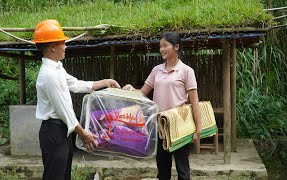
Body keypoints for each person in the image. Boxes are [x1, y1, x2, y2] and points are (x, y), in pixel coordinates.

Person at [33, 19, 120, 180]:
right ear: (52, 46)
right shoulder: (49, 75)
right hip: (54, 131)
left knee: (64, 175)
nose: (65, 46)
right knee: (55, 176)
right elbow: (63, 110)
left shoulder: (57, 68)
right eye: (63, 42)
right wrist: (82, 133)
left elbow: (76, 84)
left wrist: (104, 82)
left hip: (62, 130)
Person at [123, 32, 201, 180]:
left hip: (180, 126)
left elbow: (194, 102)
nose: (162, 49)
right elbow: (142, 93)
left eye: (165, 45)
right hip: (160, 126)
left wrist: (198, 129)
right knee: (163, 171)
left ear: (176, 47)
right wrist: (130, 89)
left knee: (183, 171)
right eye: (160, 46)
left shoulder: (186, 71)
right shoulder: (156, 70)